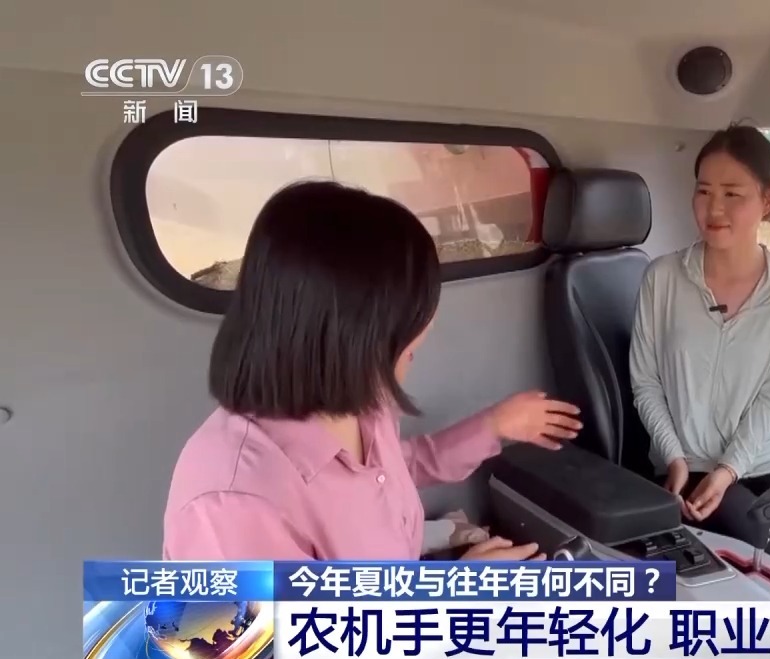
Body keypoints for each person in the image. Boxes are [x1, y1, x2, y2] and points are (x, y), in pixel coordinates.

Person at [163, 181, 582, 562]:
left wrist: (495, 426)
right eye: (413, 312)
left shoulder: (360, 398)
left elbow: (392, 472)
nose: (428, 327)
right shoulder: (233, 506)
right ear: (355, 332)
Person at [629, 124, 770, 600]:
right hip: (689, 460)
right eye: (704, 191)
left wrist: (731, 468)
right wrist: (675, 458)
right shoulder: (661, 279)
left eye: (732, 193)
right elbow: (645, 383)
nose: (714, 208)